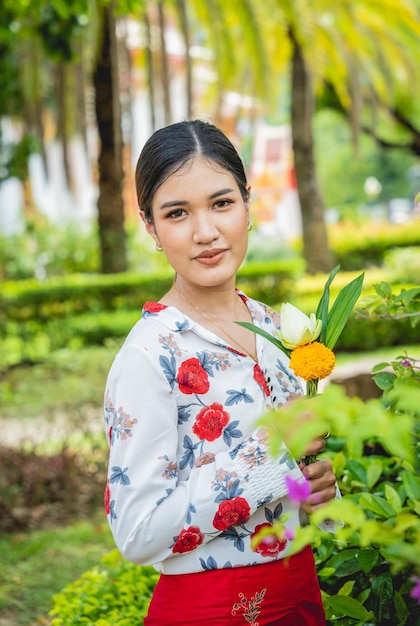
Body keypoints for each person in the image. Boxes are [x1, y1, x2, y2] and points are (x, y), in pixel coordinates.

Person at [103, 119, 338, 625]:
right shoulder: (151, 356)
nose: (205, 232)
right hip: (211, 611)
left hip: (299, 596)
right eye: (177, 213)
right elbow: (137, 532)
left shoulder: (281, 331)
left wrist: (316, 489)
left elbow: (294, 489)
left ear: (248, 204)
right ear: (150, 227)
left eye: (222, 203)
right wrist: (275, 458)